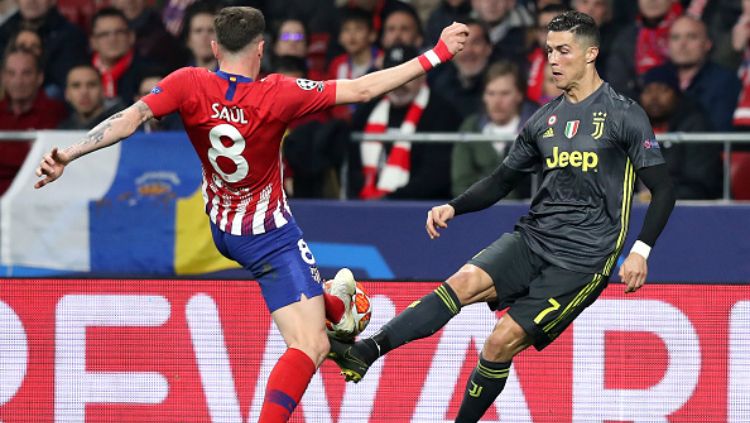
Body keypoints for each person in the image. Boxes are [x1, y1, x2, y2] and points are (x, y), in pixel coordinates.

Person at [33, 6, 468, 422]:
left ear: (214, 46)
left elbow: (130, 118)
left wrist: (68, 155)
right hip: (269, 235)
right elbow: (364, 88)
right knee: (308, 345)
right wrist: (439, 52)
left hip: (221, 228)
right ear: (261, 48)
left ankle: (335, 305)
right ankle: (334, 318)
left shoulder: (188, 82)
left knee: (320, 317)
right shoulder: (279, 92)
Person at [328, 11, 676, 422]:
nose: (553, 60)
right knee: (462, 282)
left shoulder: (624, 114)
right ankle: (366, 352)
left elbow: (665, 188)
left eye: (564, 51)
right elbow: (501, 180)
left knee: (500, 341)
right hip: (533, 238)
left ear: (590, 54)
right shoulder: (543, 121)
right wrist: (453, 206)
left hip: (583, 261)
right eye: (549, 51)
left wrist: (641, 250)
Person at [639, 66, 721, 199]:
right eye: (648, 91)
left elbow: (700, 184)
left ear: (676, 95)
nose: (654, 97)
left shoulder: (695, 126)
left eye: (663, 90)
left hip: (689, 210)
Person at [58, 64, 126, 130]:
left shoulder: (121, 123)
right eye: (76, 86)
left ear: (103, 90)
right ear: (67, 93)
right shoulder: (62, 129)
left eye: (91, 85)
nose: (84, 92)